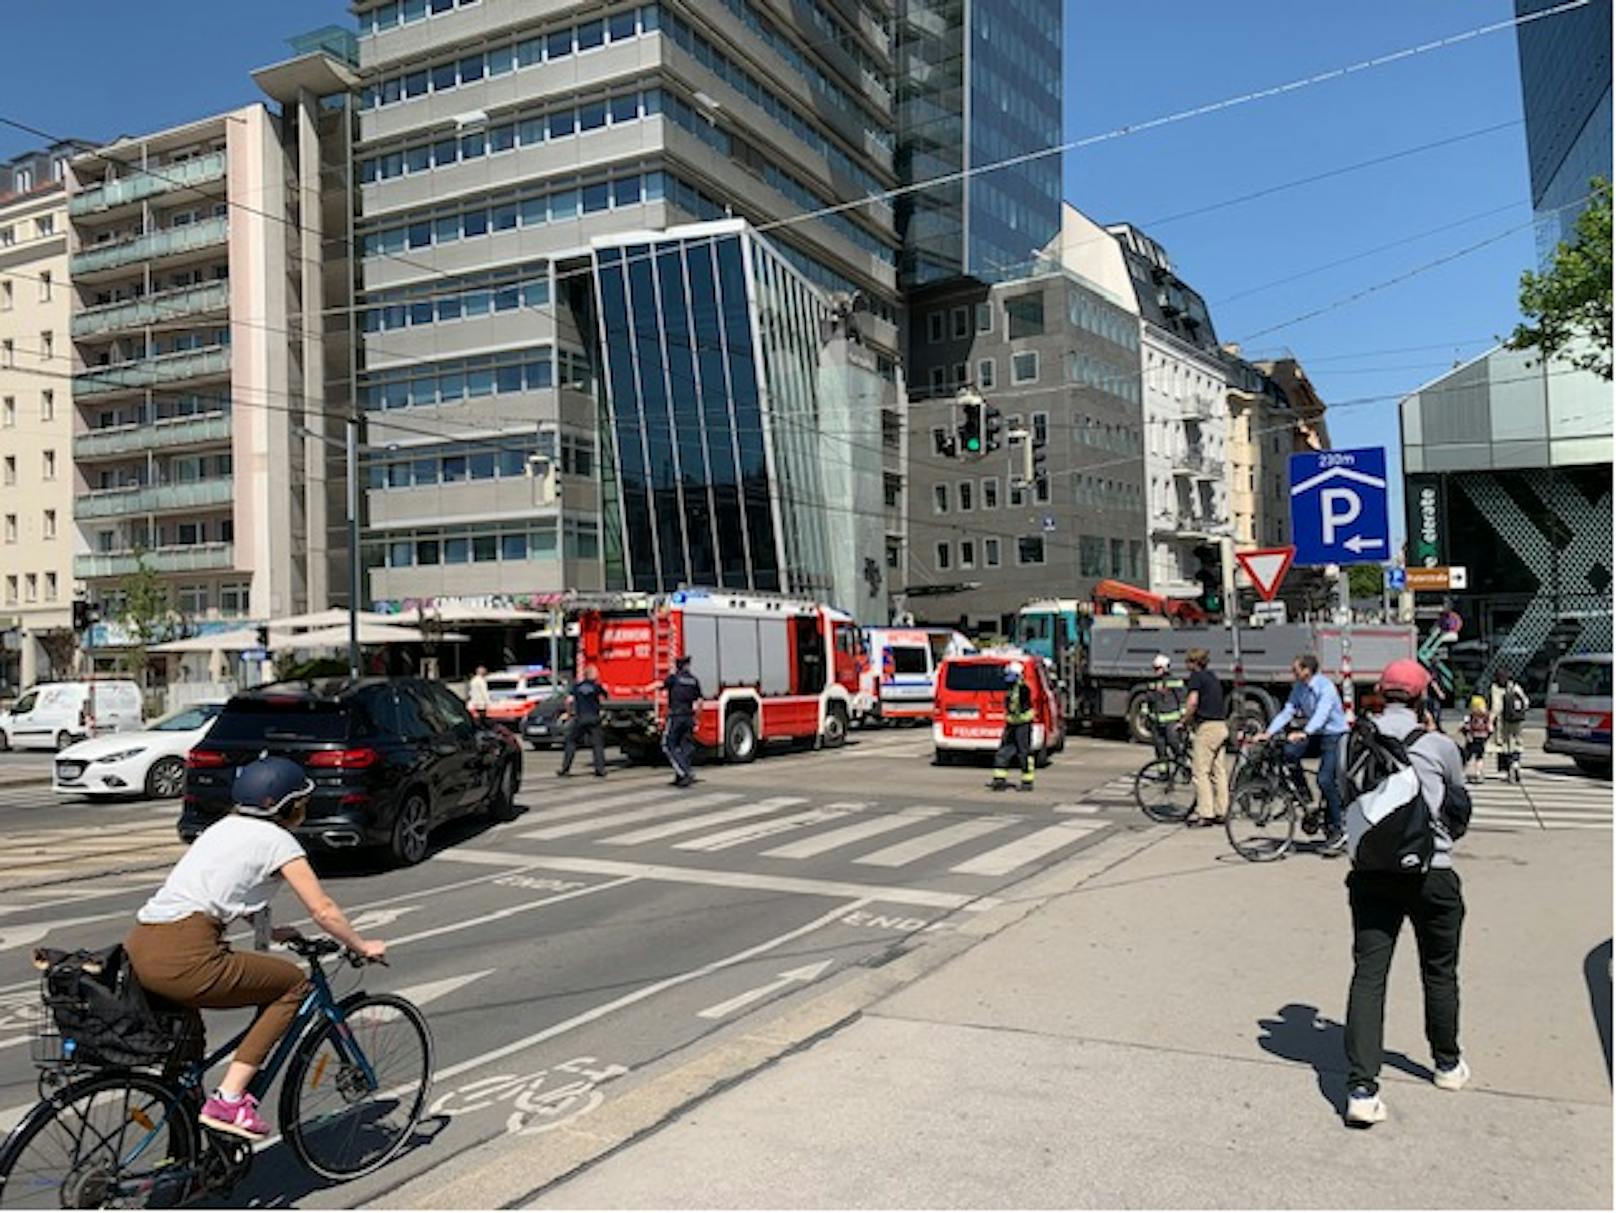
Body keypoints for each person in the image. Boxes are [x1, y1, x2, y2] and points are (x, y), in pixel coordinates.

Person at [123, 758, 386, 1141]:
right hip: (186, 954)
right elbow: (323, 909)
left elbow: (233, 890)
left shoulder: (221, 829)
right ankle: (229, 1099)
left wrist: (271, 932)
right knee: (294, 985)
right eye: (302, 802)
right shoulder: (280, 841)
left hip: (142, 946)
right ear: (289, 806)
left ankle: (188, 1150)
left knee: (187, 1058)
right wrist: (362, 946)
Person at [1343, 659, 1470, 1127]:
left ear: (1379, 693)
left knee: (1369, 975)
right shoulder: (1438, 745)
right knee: (1439, 970)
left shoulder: (1350, 742)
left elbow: (1337, 797)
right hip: (1432, 874)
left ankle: (1361, 1088)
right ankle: (1446, 1063)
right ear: (1422, 698)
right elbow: (1458, 803)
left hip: (1372, 873)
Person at [1259, 654, 1350, 856]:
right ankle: (1305, 795)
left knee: (1325, 779)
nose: (1293, 673)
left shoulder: (1325, 687)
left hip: (1333, 735)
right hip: (1316, 733)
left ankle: (1338, 828)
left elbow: (1322, 714)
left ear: (1307, 670)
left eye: (1295, 669)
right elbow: (1287, 711)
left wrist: (1305, 732)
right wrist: (1268, 732)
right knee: (1288, 753)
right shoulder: (1299, 688)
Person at [1181, 648, 1229, 826]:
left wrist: (1184, 720)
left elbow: (1193, 701)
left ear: (1193, 663)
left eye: (1188, 661)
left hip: (1207, 728)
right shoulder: (1213, 677)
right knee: (1219, 771)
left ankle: (1205, 813)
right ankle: (1222, 811)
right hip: (1221, 726)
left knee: (1200, 771)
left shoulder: (1196, 677)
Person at [991, 661, 1036, 793]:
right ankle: (999, 779)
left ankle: (1027, 781)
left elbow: (1021, 703)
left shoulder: (1023, 689)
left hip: (1023, 724)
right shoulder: (1011, 688)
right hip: (1012, 724)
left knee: (1024, 752)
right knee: (1004, 751)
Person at [558, 664, 607, 778]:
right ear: (593, 676)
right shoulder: (597, 687)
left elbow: (569, 701)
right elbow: (605, 697)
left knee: (571, 742)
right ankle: (600, 770)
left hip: (580, 718)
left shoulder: (576, 687)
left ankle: (565, 769)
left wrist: (569, 714)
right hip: (594, 718)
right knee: (597, 745)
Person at [662, 655, 703, 787]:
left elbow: (661, 685)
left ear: (677, 666)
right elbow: (700, 701)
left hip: (676, 717)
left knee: (668, 745)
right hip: (689, 717)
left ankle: (684, 773)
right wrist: (696, 718)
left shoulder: (673, 679)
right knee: (685, 746)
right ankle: (682, 774)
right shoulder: (694, 680)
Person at [1489, 668, 1528, 783]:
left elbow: (1497, 707)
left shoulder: (1496, 688)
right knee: (1517, 743)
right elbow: (1525, 702)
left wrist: (1490, 720)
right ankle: (1516, 763)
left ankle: (1509, 768)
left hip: (1504, 721)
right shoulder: (1515, 687)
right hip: (1517, 721)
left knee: (1505, 745)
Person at [1145, 654, 1186, 759]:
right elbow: (1148, 699)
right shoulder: (1152, 682)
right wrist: (1146, 713)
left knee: (1174, 745)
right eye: (1155, 668)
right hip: (1157, 721)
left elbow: (1182, 699)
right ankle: (1163, 773)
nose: (1156, 671)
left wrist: (1183, 719)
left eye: (1158, 668)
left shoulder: (1175, 681)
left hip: (1171, 722)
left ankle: (1183, 767)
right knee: (1160, 749)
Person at [1459, 695, 1491, 784]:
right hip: (1482, 739)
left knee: (1466, 757)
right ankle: (1478, 772)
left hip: (1472, 739)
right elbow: (1490, 728)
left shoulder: (1471, 716)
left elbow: (1465, 726)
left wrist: (1463, 731)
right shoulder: (1486, 716)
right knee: (1479, 757)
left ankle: (1461, 773)